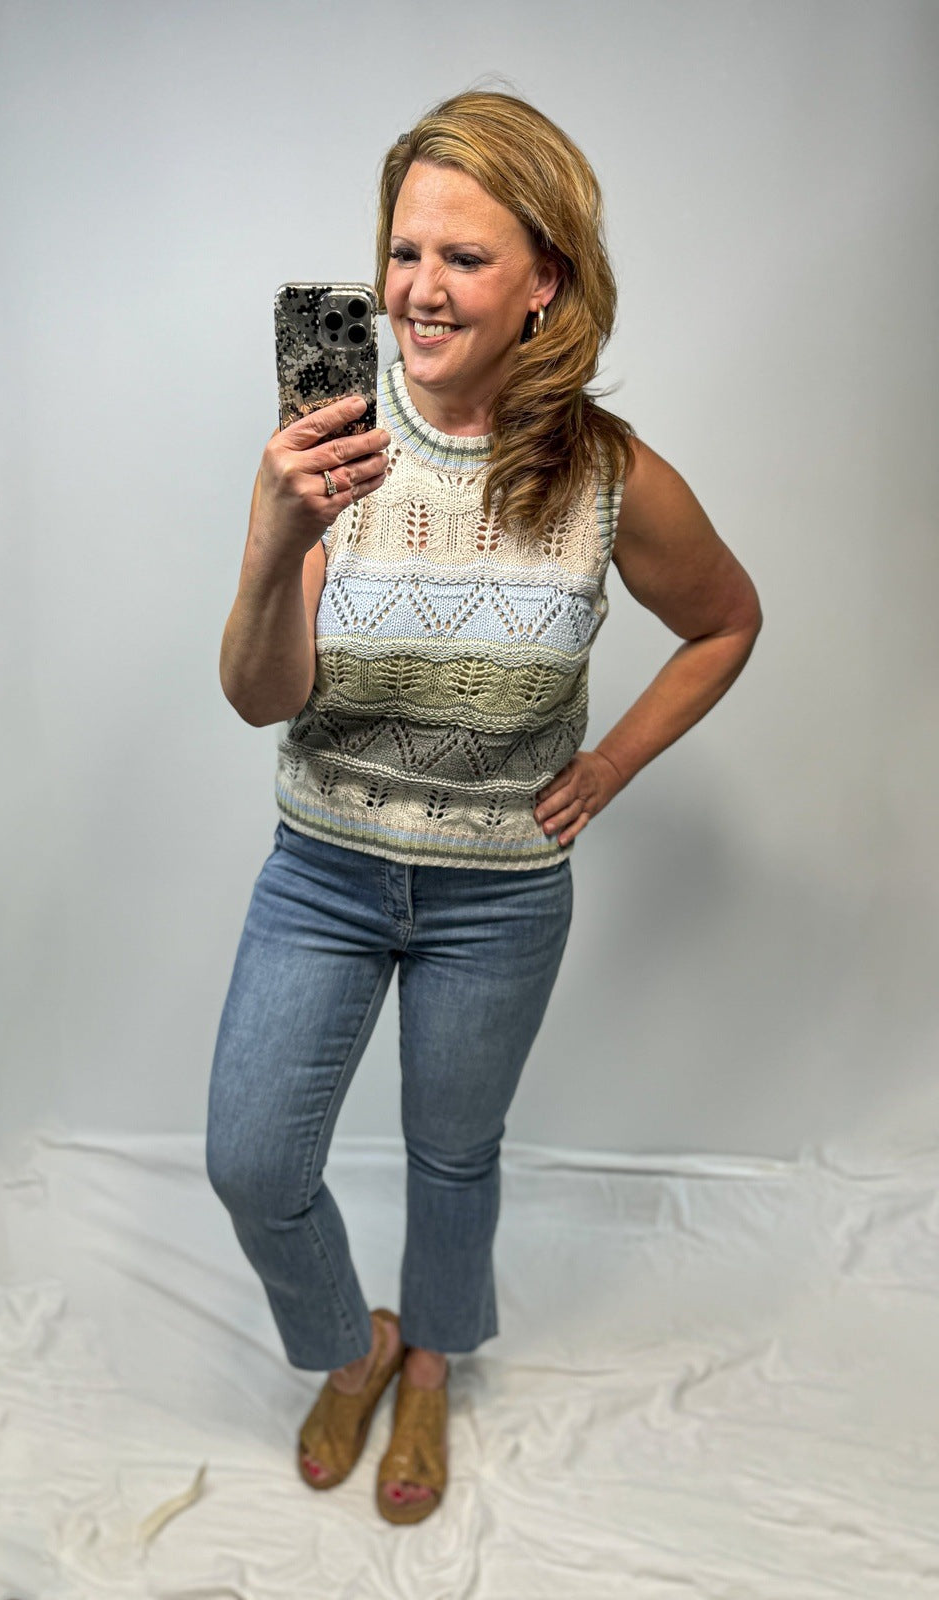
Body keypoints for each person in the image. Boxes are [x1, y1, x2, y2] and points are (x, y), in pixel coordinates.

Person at [207, 89, 762, 1526]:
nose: (420, 289)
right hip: (324, 872)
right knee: (254, 1161)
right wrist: (274, 544)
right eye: (405, 252)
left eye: (464, 256)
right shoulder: (333, 443)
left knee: (455, 1157)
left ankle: (433, 1364)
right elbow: (262, 698)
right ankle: (356, 1348)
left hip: (499, 898)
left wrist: (610, 764)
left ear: (544, 283)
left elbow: (725, 622)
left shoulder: (608, 476)